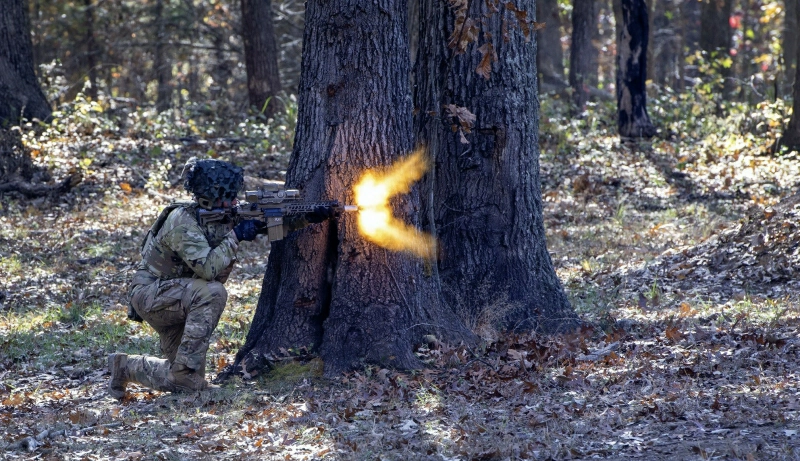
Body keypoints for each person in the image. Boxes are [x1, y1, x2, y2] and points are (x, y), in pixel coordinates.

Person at [108, 158, 331, 397]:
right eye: (227, 197)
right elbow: (208, 269)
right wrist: (235, 236)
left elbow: (273, 221)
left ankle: (124, 367)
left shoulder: (222, 213)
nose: (234, 202)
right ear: (207, 198)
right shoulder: (181, 221)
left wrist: (307, 216)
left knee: (183, 381)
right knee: (212, 291)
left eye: (233, 195)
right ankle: (178, 372)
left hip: (179, 298)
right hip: (152, 296)